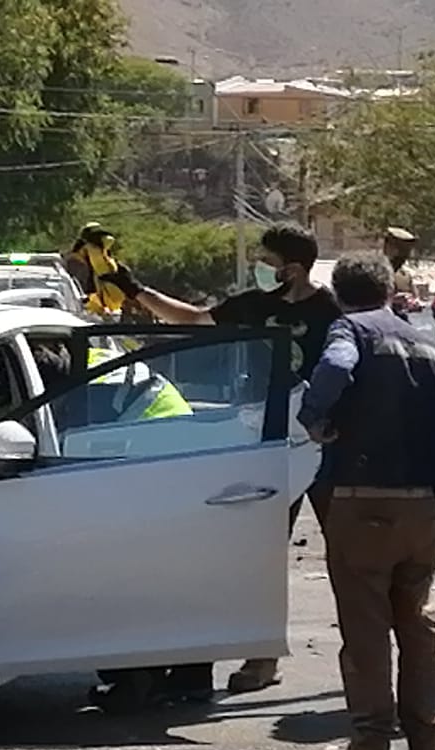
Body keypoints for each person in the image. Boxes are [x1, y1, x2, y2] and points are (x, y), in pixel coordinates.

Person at [102, 223, 341, 696]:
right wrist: (135, 290)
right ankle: (263, 655)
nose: (261, 268)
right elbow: (193, 320)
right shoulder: (254, 306)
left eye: (268, 262)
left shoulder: (330, 312)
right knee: (262, 551)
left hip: (324, 442)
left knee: (350, 553)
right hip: (267, 441)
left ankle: (367, 655)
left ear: (293, 269)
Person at [297, 251, 435, 750]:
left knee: (366, 627)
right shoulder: (428, 344)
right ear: (388, 291)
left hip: (362, 502)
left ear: (339, 295)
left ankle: (371, 744)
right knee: (417, 622)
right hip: (423, 506)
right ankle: (426, 741)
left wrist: (315, 418)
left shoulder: (349, 330)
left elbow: (335, 367)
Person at [383, 226, 422, 319]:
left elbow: (415, 297)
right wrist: (393, 300)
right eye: (401, 249)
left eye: (407, 250)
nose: (405, 254)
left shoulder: (404, 275)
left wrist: (414, 303)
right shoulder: (376, 272)